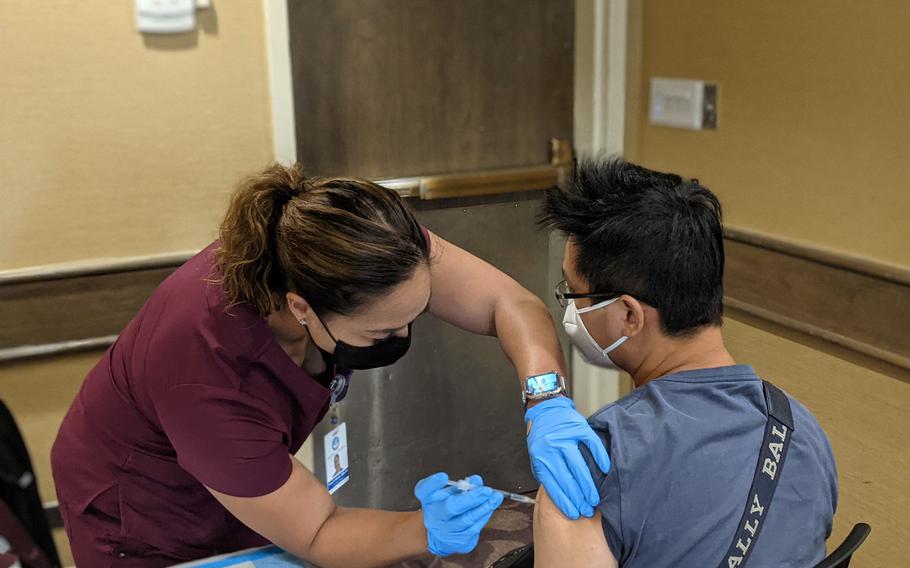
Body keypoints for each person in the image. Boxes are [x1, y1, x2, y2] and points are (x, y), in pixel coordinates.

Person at [50, 163, 609, 567]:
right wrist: (426, 530)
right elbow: (319, 530)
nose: (402, 336)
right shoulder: (207, 368)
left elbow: (507, 303)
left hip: (242, 475)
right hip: (147, 510)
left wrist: (546, 398)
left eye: (413, 316)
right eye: (382, 331)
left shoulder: (368, 244)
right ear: (301, 308)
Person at [532, 158, 837, 567]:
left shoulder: (590, 467)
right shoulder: (802, 429)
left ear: (628, 315)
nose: (568, 309)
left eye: (573, 294)